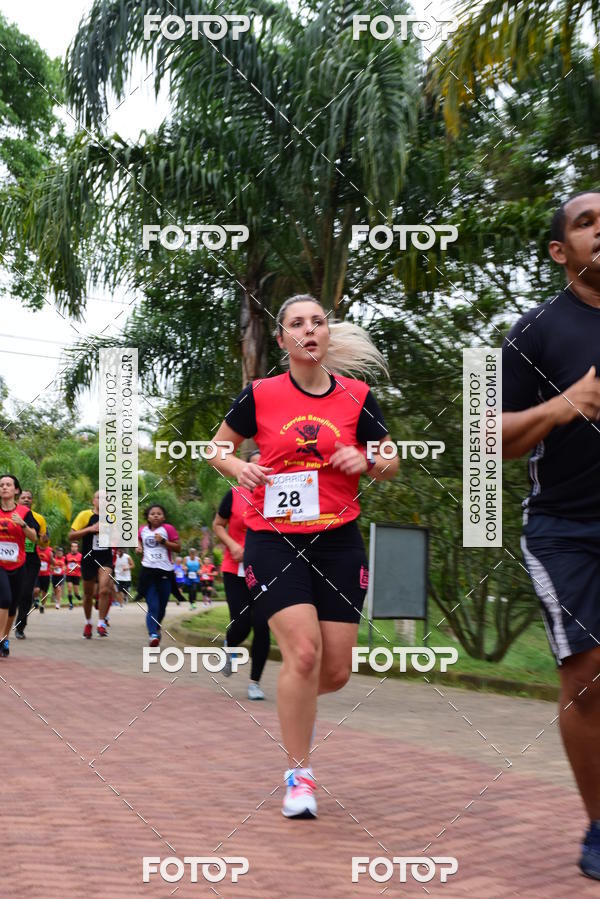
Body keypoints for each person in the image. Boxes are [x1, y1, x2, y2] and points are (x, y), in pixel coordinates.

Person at [206, 294, 397, 818]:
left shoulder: (357, 396)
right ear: (283, 338)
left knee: (334, 672)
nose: (309, 330)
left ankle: (295, 703)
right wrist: (237, 469)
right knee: (304, 654)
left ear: (327, 334)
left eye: (318, 322)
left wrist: (367, 458)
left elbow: (391, 457)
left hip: (338, 540)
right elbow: (217, 448)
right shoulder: (261, 394)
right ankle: (299, 776)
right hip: (274, 538)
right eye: (297, 323)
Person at [502, 190, 600, 881]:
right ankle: (599, 825)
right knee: (588, 680)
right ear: (560, 251)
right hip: (565, 528)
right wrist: (564, 406)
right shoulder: (534, 332)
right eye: (587, 222)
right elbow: (490, 438)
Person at [213, 451, 271, 700]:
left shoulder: (278, 496)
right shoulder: (234, 495)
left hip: (266, 570)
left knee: (262, 625)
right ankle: (229, 646)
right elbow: (217, 525)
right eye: (254, 465)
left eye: (264, 466)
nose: (259, 470)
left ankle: (254, 683)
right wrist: (233, 545)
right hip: (235, 567)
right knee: (242, 620)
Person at [0, 474, 39, 656]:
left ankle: (5, 639)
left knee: (12, 606)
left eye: (8, 485)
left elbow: (34, 537)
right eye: (1, 485)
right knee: (5, 599)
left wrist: (23, 524)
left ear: (16, 490)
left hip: (18, 564)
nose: (4, 488)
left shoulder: (24, 512)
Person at [68, 491, 115, 638]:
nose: (102, 500)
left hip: (105, 558)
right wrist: (90, 529)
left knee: (105, 590)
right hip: (88, 558)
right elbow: (71, 536)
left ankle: (101, 624)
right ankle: (88, 622)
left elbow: (119, 538)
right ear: (93, 501)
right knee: (88, 594)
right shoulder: (84, 515)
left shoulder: (112, 517)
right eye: (99, 498)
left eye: (106, 498)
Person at [137, 505, 180, 646]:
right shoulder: (142, 529)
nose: (155, 516)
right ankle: (153, 635)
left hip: (165, 572)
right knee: (153, 606)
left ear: (164, 517)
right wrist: (139, 547)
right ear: (148, 517)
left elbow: (178, 547)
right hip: (148, 571)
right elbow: (138, 539)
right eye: (152, 513)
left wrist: (163, 541)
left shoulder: (168, 529)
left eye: (159, 513)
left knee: (162, 607)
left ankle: (156, 627)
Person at [15, 489, 48, 638]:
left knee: (26, 594)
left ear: (32, 501)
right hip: (11, 557)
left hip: (30, 559)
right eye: (23, 497)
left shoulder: (39, 518)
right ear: (18, 499)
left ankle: (20, 627)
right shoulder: (10, 514)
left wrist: (44, 539)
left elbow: (42, 544)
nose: (26, 499)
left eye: (29, 498)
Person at [35, 543, 53, 614]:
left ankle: (42, 606)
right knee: (36, 590)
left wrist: (52, 559)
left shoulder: (50, 551)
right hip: (37, 574)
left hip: (46, 575)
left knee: (44, 593)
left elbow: (53, 562)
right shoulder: (35, 549)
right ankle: (36, 599)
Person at [65, 541, 82, 609]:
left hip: (76, 575)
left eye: (75, 546)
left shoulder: (80, 556)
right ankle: (71, 604)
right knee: (69, 589)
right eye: (72, 546)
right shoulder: (67, 556)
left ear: (77, 548)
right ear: (71, 547)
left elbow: (83, 565)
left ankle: (77, 596)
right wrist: (64, 567)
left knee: (76, 592)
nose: (74, 548)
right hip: (69, 574)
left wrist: (79, 567)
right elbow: (65, 564)